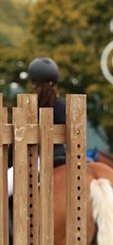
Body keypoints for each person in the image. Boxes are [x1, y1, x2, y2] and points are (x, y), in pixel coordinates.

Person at [8, 56, 66, 198]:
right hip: (66, 157)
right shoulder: (65, 105)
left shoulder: (30, 108)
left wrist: (9, 162)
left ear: (34, 82)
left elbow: (17, 141)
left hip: (39, 159)